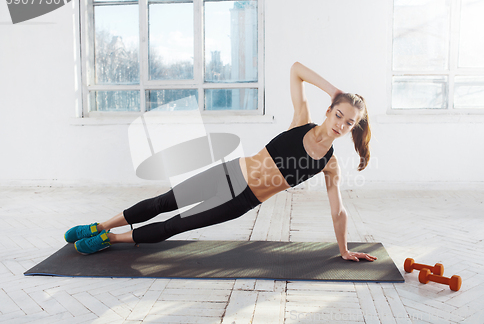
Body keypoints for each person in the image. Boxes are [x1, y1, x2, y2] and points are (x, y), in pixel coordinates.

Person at [64, 62, 377, 262]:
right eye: (339, 114)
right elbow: (295, 69)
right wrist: (334, 90)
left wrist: (345, 249)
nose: (341, 124)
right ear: (329, 110)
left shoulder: (329, 163)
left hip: (241, 200)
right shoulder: (301, 123)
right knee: (164, 201)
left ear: (353, 128)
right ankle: (100, 225)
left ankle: (109, 238)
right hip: (229, 173)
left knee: (175, 225)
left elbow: (338, 210)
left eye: (350, 122)